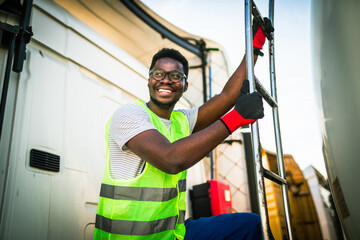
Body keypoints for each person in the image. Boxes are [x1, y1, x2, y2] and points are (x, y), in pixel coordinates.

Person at [94, 19, 274, 240]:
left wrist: (254, 48)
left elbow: (227, 97)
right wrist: (237, 118)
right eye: (159, 74)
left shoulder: (181, 121)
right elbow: (171, 159)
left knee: (251, 226)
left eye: (176, 76)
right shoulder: (129, 115)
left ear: (185, 85)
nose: (166, 80)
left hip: (173, 234)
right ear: (150, 80)